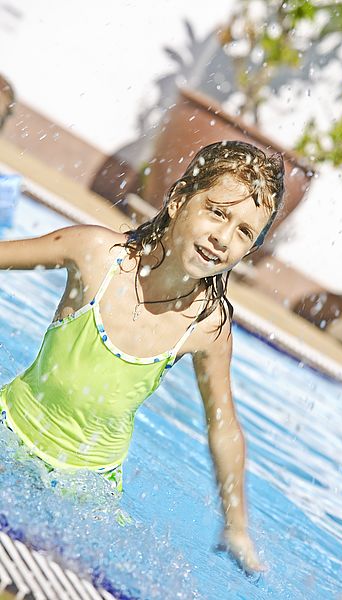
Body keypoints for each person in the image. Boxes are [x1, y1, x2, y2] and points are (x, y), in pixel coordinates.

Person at [0, 140, 284, 573]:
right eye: (217, 212)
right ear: (177, 201)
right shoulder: (96, 255)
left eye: (244, 232)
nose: (222, 238)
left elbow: (223, 423)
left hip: (86, 489)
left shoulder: (206, 328)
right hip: (9, 433)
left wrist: (237, 527)